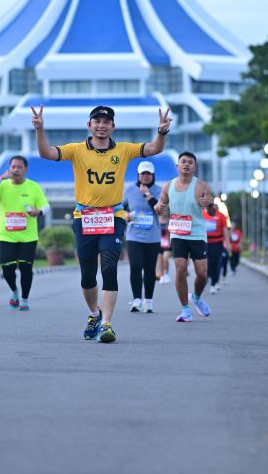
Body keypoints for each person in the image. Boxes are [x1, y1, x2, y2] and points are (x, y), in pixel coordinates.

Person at [31, 104, 171, 342]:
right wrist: (39, 129)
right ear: (89, 125)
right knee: (87, 275)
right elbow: (46, 153)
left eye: (106, 122)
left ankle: (106, 324)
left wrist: (162, 131)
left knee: (108, 267)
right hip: (84, 217)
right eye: (97, 121)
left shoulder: (124, 150)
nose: (101, 125)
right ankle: (94, 314)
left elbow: (154, 148)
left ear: (113, 126)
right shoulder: (76, 150)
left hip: (113, 217)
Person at [0, 155, 50, 311]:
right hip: (7, 236)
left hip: (28, 237)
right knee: (7, 269)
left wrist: (39, 212)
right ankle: (14, 291)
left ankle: (24, 299)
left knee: (26, 268)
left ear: (25, 169)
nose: (16, 170)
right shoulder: (3, 185)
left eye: (19, 167)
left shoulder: (33, 187)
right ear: (9, 169)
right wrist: (1, 178)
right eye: (13, 167)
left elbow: (46, 206)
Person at [156, 151, 216, 322]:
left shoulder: (201, 186)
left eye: (190, 162)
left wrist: (210, 205)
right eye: (183, 161)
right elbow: (160, 207)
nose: (186, 164)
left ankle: (195, 297)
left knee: (202, 274)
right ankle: (185, 310)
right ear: (177, 166)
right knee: (180, 269)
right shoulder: (168, 186)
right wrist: (158, 208)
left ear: (194, 167)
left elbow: (212, 212)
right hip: (178, 233)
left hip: (197, 234)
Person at [123, 161, 162, 314]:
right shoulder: (129, 190)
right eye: (143, 173)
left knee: (150, 269)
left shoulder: (159, 190)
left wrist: (147, 194)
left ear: (153, 175)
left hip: (153, 236)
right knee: (135, 266)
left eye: (148, 173)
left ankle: (149, 301)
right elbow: (120, 208)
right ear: (138, 175)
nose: (145, 176)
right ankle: (137, 300)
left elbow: (160, 210)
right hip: (134, 236)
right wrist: (125, 214)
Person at [203, 204, 230, 294]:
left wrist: (227, 243)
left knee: (216, 263)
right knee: (206, 263)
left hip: (217, 243)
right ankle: (207, 278)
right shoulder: (203, 214)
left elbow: (225, 230)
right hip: (205, 243)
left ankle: (213, 284)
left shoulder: (221, 216)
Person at [156, 211, 172, 284]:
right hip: (159, 243)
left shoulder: (170, 220)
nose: (164, 212)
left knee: (165, 258)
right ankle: (162, 276)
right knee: (160, 259)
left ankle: (166, 274)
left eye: (165, 210)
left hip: (168, 243)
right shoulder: (156, 220)